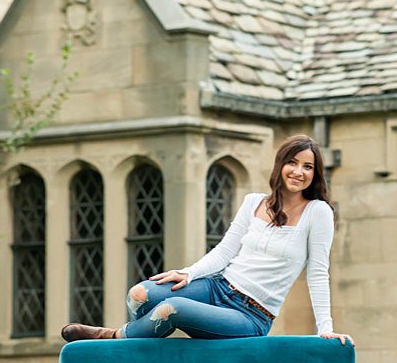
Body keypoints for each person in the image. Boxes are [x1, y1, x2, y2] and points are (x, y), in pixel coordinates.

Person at [61, 135, 353, 345]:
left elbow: (317, 272)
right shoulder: (254, 202)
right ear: (280, 165)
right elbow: (224, 252)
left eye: (308, 166)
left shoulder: (318, 212)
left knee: (171, 309)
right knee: (140, 294)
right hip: (217, 287)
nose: (299, 172)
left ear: (315, 174)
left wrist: (325, 328)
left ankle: (113, 336)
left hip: (251, 314)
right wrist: (188, 273)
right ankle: (144, 339)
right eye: (293, 163)